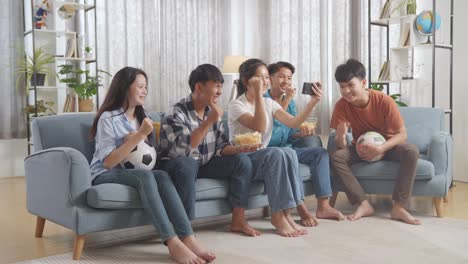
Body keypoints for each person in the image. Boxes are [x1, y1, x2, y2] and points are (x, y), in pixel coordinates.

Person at [89, 67, 215, 264]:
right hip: (105, 173)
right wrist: (138, 136)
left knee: (161, 176)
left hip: (134, 173)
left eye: (146, 87)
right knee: (147, 176)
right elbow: (108, 162)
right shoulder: (108, 118)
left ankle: (188, 237)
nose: (144, 91)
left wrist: (145, 139)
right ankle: (171, 241)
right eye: (140, 86)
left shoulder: (143, 117)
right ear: (124, 88)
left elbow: (148, 158)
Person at [158, 64, 262, 237]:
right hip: (176, 165)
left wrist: (239, 149)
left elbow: (221, 147)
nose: (220, 92)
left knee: (242, 161)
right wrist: (208, 122)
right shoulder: (176, 112)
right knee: (187, 164)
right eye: (216, 86)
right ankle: (185, 231)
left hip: (203, 164)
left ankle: (238, 220)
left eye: (221, 86)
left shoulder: (211, 111)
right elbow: (185, 147)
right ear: (199, 87)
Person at [228, 58, 322, 237]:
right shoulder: (236, 105)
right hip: (243, 159)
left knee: (289, 152)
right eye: (260, 78)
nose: (265, 82)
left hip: (263, 159)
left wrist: (313, 102)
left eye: (266, 78)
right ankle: (277, 216)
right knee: (278, 153)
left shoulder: (269, 103)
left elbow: (293, 121)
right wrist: (258, 97)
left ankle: (286, 214)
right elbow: (259, 127)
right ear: (247, 81)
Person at [330, 59, 421, 225]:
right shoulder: (341, 106)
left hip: (389, 146)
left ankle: (399, 207)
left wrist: (380, 149)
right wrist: (341, 137)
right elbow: (341, 146)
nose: (346, 91)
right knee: (337, 156)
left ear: (363, 82)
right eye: (342, 87)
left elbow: (402, 134)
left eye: (351, 85)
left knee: (411, 151)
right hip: (361, 147)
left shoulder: (383, 101)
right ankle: (363, 204)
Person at [265, 61, 345, 224]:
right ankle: (302, 208)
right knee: (289, 156)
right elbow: (267, 127)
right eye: (281, 77)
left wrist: (301, 133)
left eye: (289, 78)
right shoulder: (261, 100)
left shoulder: (290, 102)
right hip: (270, 153)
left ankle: (323, 206)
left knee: (320, 153)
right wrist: (287, 100)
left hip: (288, 148)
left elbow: (292, 131)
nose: (286, 81)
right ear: (270, 78)